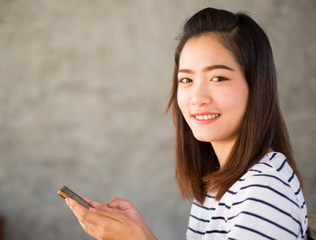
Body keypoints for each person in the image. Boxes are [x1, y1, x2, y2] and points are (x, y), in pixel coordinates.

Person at [65, 7, 308, 240]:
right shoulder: (221, 183)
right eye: (186, 79)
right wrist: (143, 233)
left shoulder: (264, 189)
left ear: (257, 86)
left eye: (218, 77)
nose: (198, 98)